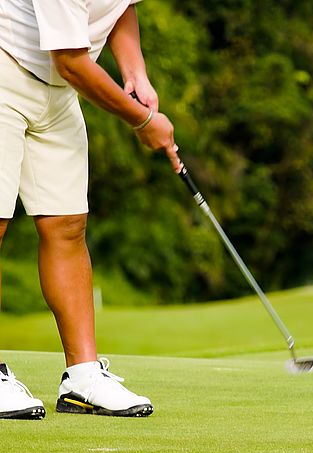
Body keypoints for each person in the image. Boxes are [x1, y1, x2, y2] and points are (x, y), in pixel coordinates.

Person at [0, 0, 179, 419]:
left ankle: (82, 377)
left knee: (66, 224)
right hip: (7, 67)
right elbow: (71, 62)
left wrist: (135, 72)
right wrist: (141, 120)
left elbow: (120, 7)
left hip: (57, 93)